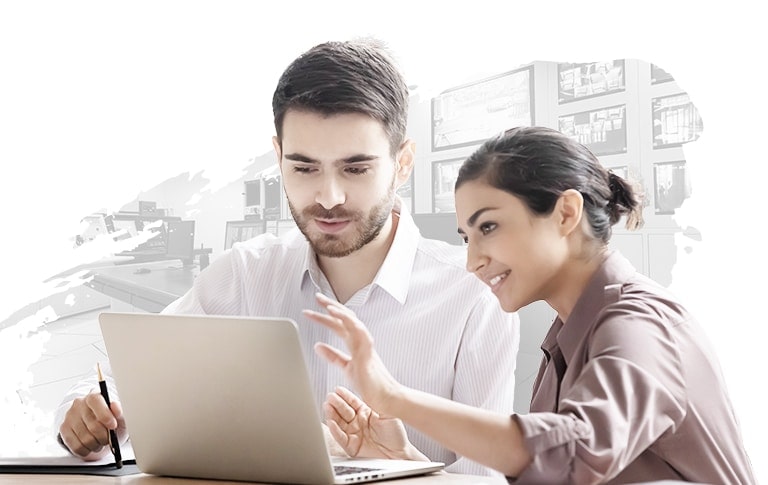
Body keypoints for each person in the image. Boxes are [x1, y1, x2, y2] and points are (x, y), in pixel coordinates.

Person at [54, 39, 520, 476]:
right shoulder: (244, 275)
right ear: (278, 157)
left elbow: (487, 480)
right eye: (304, 167)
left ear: (402, 163)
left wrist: (404, 466)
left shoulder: (475, 296)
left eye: (355, 168)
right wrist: (93, 419)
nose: (329, 197)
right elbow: (122, 378)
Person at [304, 126, 756, 484]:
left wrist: (394, 398)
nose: (472, 261)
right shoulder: (569, 336)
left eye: (488, 227)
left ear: (566, 213)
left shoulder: (639, 324)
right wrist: (404, 460)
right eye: (466, 237)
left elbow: (573, 455)